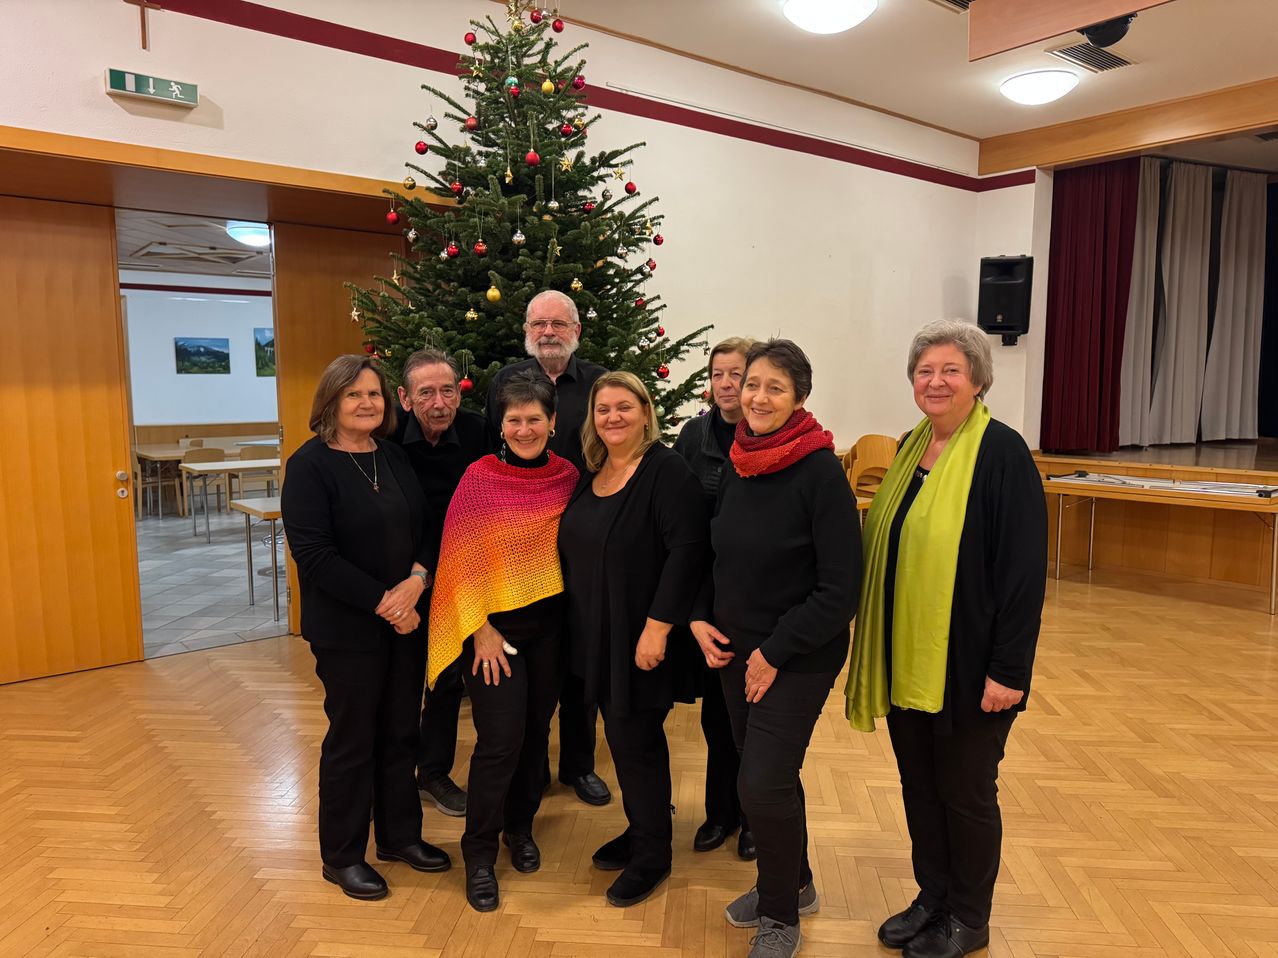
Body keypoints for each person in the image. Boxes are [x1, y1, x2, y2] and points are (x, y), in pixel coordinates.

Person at [846, 320, 1047, 958]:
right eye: (924, 371)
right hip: (908, 659)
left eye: (950, 370)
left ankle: (970, 916)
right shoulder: (909, 450)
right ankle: (931, 896)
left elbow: (1022, 575)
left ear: (978, 380)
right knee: (919, 785)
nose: (935, 381)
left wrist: (1008, 671)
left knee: (965, 792)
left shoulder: (1003, 455)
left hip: (971, 666)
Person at [690, 339, 861, 958]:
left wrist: (774, 653)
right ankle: (801, 882)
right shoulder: (740, 460)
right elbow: (718, 554)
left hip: (799, 651)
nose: (757, 397)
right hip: (736, 648)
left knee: (760, 783)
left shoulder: (820, 471)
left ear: (799, 399)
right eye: (751, 384)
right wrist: (701, 619)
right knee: (765, 775)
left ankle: (781, 914)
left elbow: (840, 590)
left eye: (774, 388)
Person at [281, 355, 451, 902]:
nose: (367, 403)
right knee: (353, 740)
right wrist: (386, 601)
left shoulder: (394, 457)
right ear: (330, 401)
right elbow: (314, 554)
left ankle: (400, 837)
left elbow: (428, 529)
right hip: (349, 630)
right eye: (354, 394)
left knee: (402, 732)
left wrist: (418, 581)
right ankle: (343, 855)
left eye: (375, 394)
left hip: (406, 623)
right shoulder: (309, 466)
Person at [426, 370, 578, 913]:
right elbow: (457, 563)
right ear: (501, 426)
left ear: (553, 422)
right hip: (495, 635)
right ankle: (479, 853)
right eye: (513, 419)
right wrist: (479, 632)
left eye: (534, 418)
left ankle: (520, 827)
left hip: (551, 633)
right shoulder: (479, 479)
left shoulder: (568, 477)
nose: (524, 427)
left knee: (536, 735)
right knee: (499, 742)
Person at [558, 371, 708, 908]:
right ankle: (643, 826)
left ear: (646, 411)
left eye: (624, 406)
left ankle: (653, 853)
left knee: (635, 742)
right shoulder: (592, 470)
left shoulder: (667, 471)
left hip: (643, 637)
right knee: (624, 742)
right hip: (594, 635)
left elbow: (688, 552)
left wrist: (658, 628)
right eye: (603, 409)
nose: (613, 417)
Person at [486, 290, 611, 808]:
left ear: (576, 330)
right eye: (539, 323)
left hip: (579, 541)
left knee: (578, 661)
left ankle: (579, 765)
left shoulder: (599, 382)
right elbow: (489, 459)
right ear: (526, 328)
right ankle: (531, 770)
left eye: (559, 323)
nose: (548, 331)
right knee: (533, 679)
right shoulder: (505, 383)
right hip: (520, 545)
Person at [387, 348, 489, 819]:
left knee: (449, 678)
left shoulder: (478, 432)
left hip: (466, 574)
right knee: (403, 679)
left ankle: (433, 772)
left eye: (448, 390)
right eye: (426, 392)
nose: (439, 401)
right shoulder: (386, 440)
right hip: (403, 578)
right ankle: (391, 775)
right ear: (406, 399)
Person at [672, 336, 756, 861]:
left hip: (752, 596)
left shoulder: (768, 433)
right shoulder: (693, 434)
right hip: (705, 597)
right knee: (714, 717)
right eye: (719, 374)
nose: (727, 384)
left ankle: (752, 818)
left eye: (738, 375)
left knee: (750, 718)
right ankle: (719, 813)